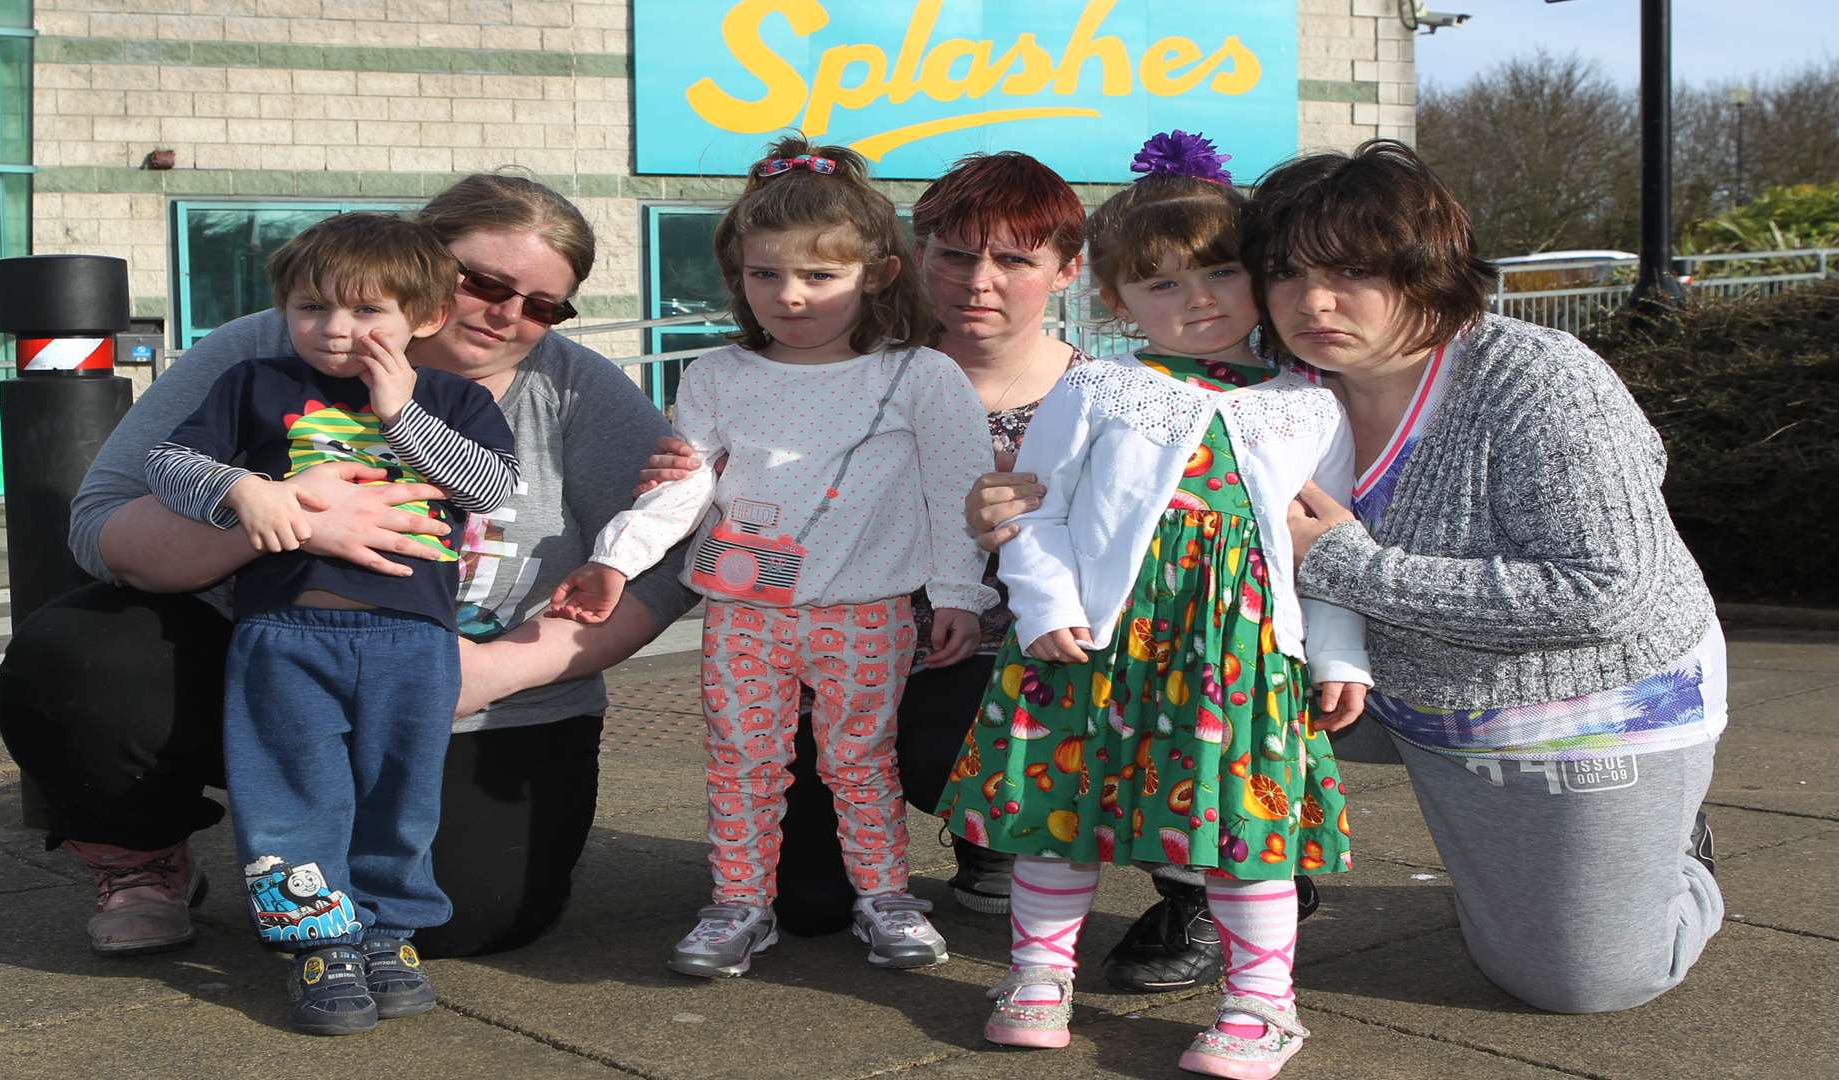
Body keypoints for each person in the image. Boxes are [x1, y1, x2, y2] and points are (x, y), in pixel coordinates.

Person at [0, 173, 698, 964]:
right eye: (486, 283)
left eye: (542, 305)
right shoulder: (268, 352)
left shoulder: (572, 389)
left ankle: (331, 837)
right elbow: (102, 524)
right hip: (273, 652)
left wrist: (495, 670)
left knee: (461, 921)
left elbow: (672, 561)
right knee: (80, 659)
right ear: (420, 267)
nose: (507, 315)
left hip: (459, 685)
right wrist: (280, 519)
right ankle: (140, 852)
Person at [639, 150, 1261, 991]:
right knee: (813, 898)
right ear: (914, 257)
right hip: (890, 650)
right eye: (957, 254)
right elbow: (760, 469)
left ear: (1067, 271)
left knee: (1003, 725)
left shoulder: (1110, 390)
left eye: (1014, 259)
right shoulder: (860, 366)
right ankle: (982, 842)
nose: (980, 280)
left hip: (1075, 661)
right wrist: (696, 483)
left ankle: (1210, 879)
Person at [935, 132, 1368, 1078]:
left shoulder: (1311, 404)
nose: (1197, 300)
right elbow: (1031, 512)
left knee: (1241, 832)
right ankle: (1040, 974)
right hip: (1095, 645)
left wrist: (1340, 656)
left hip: (1242, 659)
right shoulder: (1098, 387)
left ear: (1257, 276)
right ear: (1114, 298)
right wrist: (1046, 604)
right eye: (1161, 284)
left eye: (1218, 272)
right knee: (1060, 813)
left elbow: (1329, 547)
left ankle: (1262, 1002)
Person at [1262, 141, 1725, 1014]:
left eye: (1353, 270)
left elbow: (1602, 591)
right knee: (1162, 691)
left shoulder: (1538, 380)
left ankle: (1680, 857)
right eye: (1285, 273)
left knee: (1585, 981)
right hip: (1383, 691)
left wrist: (1343, 564)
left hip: (1580, 703)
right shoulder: (1276, 394)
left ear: (1429, 271)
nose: (1313, 301)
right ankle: (1224, 900)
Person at [551, 137, 994, 978]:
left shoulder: (921, 375)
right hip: (745, 614)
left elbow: (957, 493)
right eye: (766, 275)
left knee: (862, 761)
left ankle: (886, 897)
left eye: (820, 276)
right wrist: (618, 555)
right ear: (738, 277)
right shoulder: (717, 374)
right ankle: (737, 904)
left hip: (867, 612)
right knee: (741, 760)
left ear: (879, 272)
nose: (790, 297)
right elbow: (685, 487)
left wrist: (957, 596)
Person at [141, 213, 519, 1034]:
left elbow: (486, 485)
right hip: (284, 638)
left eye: (367, 312)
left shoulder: (455, 397)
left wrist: (400, 411)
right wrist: (246, 492)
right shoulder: (251, 386)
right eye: (312, 307)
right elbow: (167, 463)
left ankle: (387, 933)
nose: (336, 329)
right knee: (289, 796)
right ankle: (319, 943)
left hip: (414, 646)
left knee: (401, 795)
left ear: (425, 318)